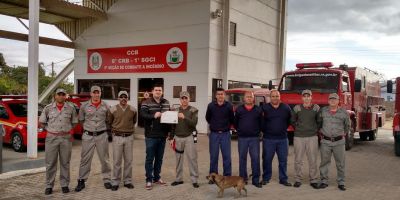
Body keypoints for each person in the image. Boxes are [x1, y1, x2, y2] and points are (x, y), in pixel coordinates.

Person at [39, 88, 78, 195]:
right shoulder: (48, 108)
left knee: (65, 162)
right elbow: (42, 122)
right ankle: (49, 186)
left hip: (66, 138)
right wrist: (50, 130)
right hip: (51, 138)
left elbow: (74, 122)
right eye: (59, 94)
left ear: (65, 96)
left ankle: (64, 185)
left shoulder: (71, 108)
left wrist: (66, 130)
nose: (61, 96)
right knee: (51, 163)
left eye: (63, 94)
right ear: (55, 96)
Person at [75, 86, 112, 192]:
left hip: (102, 135)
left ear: (100, 93)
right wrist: (89, 129)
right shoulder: (84, 106)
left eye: (98, 92)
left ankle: (107, 179)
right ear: (91, 94)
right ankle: (81, 180)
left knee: (105, 159)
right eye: (94, 93)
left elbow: (109, 120)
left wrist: (101, 129)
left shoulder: (106, 106)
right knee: (85, 159)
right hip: (88, 136)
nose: (96, 94)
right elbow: (81, 120)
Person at [140, 85, 171, 190]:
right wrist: (153, 116)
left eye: (160, 90)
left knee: (159, 159)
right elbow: (142, 115)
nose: (158, 92)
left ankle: (157, 178)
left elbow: (170, 119)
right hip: (151, 136)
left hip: (162, 136)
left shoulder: (166, 102)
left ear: (162, 92)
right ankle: (149, 179)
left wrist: (170, 133)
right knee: (149, 158)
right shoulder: (146, 102)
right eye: (156, 90)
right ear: (152, 91)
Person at [318, 93, 350, 191]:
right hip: (325, 142)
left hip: (339, 142)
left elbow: (347, 126)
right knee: (324, 162)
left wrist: (342, 134)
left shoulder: (344, 112)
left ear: (338, 101)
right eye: (331, 99)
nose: (332, 101)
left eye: (335, 99)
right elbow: (319, 123)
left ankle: (341, 182)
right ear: (328, 101)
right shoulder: (322, 111)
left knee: (340, 163)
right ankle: (324, 181)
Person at [107, 91, 137, 191]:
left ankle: (127, 181)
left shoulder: (133, 109)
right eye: (121, 97)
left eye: (125, 97)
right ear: (118, 98)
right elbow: (109, 122)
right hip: (117, 137)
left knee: (128, 161)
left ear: (127, 98)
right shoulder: (112, 109)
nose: (123, 98)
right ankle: (115, 181)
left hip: (129, 137)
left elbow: (134, 121)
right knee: (117, 161)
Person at [261, 89, 292, 187]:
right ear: (270, 97)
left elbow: (289, 121)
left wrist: (281, 129)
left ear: (280, 97)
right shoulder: (265, 108)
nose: (275, 98)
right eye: (273, 96)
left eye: (277, 96)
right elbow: (261, 122)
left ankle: (283, 179)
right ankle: (266, 178)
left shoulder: (286, 107)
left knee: (283, 160)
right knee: (267, 159)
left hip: (282, 139)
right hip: (268, 139)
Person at [170, 91, 200, 188]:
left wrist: (185, 117)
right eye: (182, 98)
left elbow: (194, 123)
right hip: (178, 137)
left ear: (189, 99)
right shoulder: (175, 110)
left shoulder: (193, 110)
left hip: (189, 137)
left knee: (192, 158)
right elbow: (172, 125)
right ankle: (179, 179)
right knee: (178, 159)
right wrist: (171, 137)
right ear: (180, 100)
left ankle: (194, 179)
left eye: (186, 98)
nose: (184, 100)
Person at [291, 89, 320, 189]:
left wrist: (315, 129)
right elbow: (292, 120)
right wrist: (298, 128)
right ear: (302, 98)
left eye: (308, 96)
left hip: (312, 137)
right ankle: (298, 179)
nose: (306, 98)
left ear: (311, 97)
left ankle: (314, 180)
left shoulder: (316, 108)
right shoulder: (297, 108)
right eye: (304, 96)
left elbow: (320, 121)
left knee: (312, 159)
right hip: (299, 137)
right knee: (298, 159)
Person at [234, 91, 263, 188]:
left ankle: (255, 180)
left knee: (255, 159)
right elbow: (235, 123)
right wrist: (241, 130)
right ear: (244, 98)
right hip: (242, 138)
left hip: (254, 138)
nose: (249, 98)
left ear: (253, 98)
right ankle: (243, 179)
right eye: (247, 97)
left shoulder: (258, 109)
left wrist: (257, 131)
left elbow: (261, 123)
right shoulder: (239, 109)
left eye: (251, 97)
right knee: (242, 159)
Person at [205, 87, 234, 182]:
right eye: (219, 94)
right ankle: (213, 177)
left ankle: (227, 177)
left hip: (225, 134)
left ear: (224, 95)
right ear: (216, 96)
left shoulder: (229, 106)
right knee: (213, 157)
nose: (220, 96)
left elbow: (232, 119)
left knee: (227, 157)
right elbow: (208, 118)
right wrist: (214, 126)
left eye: (222, 94)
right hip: (214, 134)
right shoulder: (211, 106)